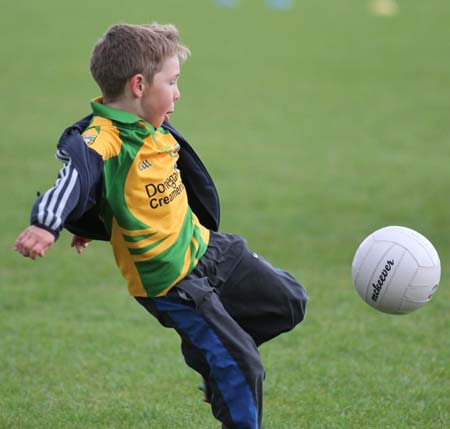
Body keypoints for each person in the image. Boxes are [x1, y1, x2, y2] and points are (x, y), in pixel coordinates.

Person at [14, 23, 308, 429]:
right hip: (172, 282)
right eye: (172, 82)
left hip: (206, 248)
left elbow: (113, 192)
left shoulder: (150, 124)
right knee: (244, 366)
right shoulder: (104, 138)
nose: (178, 93)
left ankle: (211, 355)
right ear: (139, 85)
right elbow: (76, 178)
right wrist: (49, 224)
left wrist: (90, 218)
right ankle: (222, 366)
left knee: (288, 300)